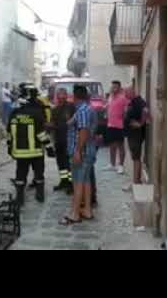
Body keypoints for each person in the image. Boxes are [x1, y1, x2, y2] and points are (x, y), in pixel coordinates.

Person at [7, 83, 54, 206]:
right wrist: (49, 148)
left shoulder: (14, 113)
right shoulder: (37, 114)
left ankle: (20, 198)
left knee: (20, 175)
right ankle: (40, 196)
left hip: (20, 153)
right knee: (39, 174)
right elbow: (41, 134)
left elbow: (9, 133)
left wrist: (10, 147)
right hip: (36, 152)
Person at [60, 85, 97, 225]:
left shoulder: (82, 111)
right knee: (86, 180)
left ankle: (75, 214)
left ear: (75, 97)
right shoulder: (87, 109)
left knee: (78, 181)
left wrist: (77, 151)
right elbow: (73, 123)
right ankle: (87, 210)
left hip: (82, 151)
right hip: (89, 150)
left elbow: (83, 131)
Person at [123, 87, 150, 190]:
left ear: (132, 92)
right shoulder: (133, 101)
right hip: (132, 134)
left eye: (126, 92)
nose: (125, 94)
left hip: (136, 134)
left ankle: (136, 182)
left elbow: (146, 111)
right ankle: (136, 181)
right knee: (135, 157)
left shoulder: (139, 101)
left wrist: (140, 124)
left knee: (136, 158)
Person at [49, 88, 75, 194]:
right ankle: (63, 181)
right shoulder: (54, 109)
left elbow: (74, 122)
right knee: (60, 163)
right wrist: (50, 126)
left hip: (68, 139)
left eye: (63, 96)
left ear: (66, 96)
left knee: (68, 163)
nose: (61, 99)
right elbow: (53, 123)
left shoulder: (71, 107)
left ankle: (71, 184)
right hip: (58, 139)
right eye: (59, 97)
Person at [103, 81, 129, 174]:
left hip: (119, 126)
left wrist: (124, 117)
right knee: (111, 145)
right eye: (112, 87)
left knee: (120, 146)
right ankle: (112, 164)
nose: (113, 88)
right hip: (110, 125)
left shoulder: (123, 98)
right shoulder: (110, 97)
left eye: (115, 87)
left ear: (119, 88)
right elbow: (106, 107)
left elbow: (126, 111)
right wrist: (105, 108)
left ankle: (121, 166)